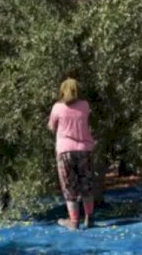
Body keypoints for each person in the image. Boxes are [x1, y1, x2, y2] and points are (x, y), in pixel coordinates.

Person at [48, 78, 96, 230]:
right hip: (84, 149)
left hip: (65, 151)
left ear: (62, 91)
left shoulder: (57, 107)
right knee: (86, 184)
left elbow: (51, 126)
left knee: (69, 186)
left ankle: (74, 221)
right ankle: (89, 218)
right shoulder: (85, 105)